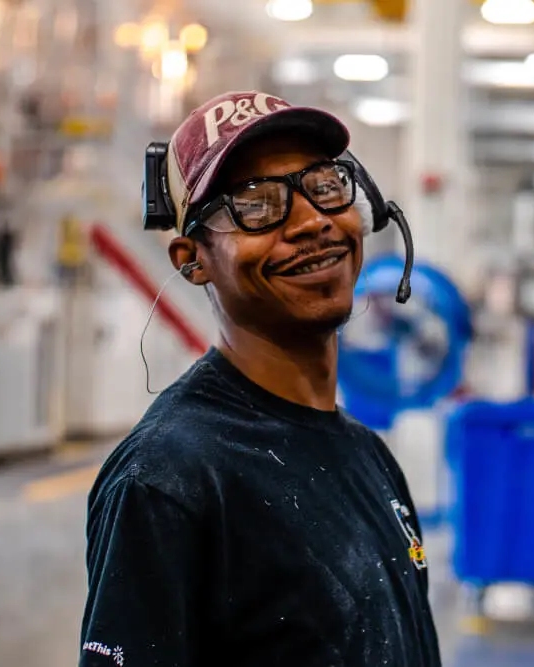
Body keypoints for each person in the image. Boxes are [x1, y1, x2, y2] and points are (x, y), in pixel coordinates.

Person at [79, 91, 441, 667]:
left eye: (323, 185)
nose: (311, 222)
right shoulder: (170, 480)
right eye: (256, 203)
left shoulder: (369, 456)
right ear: (191, 259)